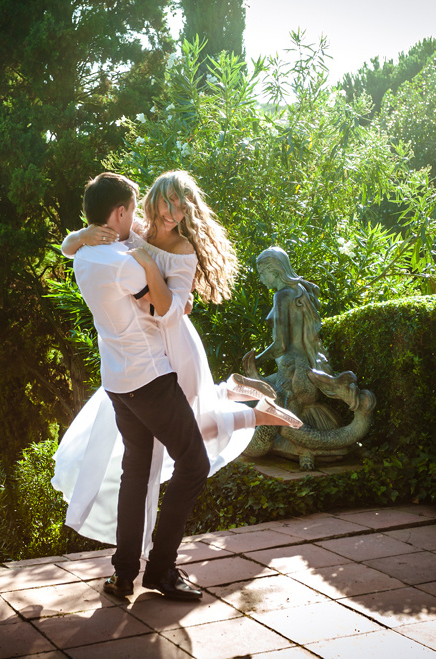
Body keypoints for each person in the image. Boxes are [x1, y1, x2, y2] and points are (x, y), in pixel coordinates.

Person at [53, 171, 299, 600]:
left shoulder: (164, 249)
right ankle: (158, 571)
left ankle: (124, 573)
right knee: (187, 462)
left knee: (149, 463)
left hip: (157, 359)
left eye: (181, 205)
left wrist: (153, 290)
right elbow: (154, 295)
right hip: (148, 372)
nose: (172, 212)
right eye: (166, 203)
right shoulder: (131, 241)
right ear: (138, 206)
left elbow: (171, 311)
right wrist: (89, 239)